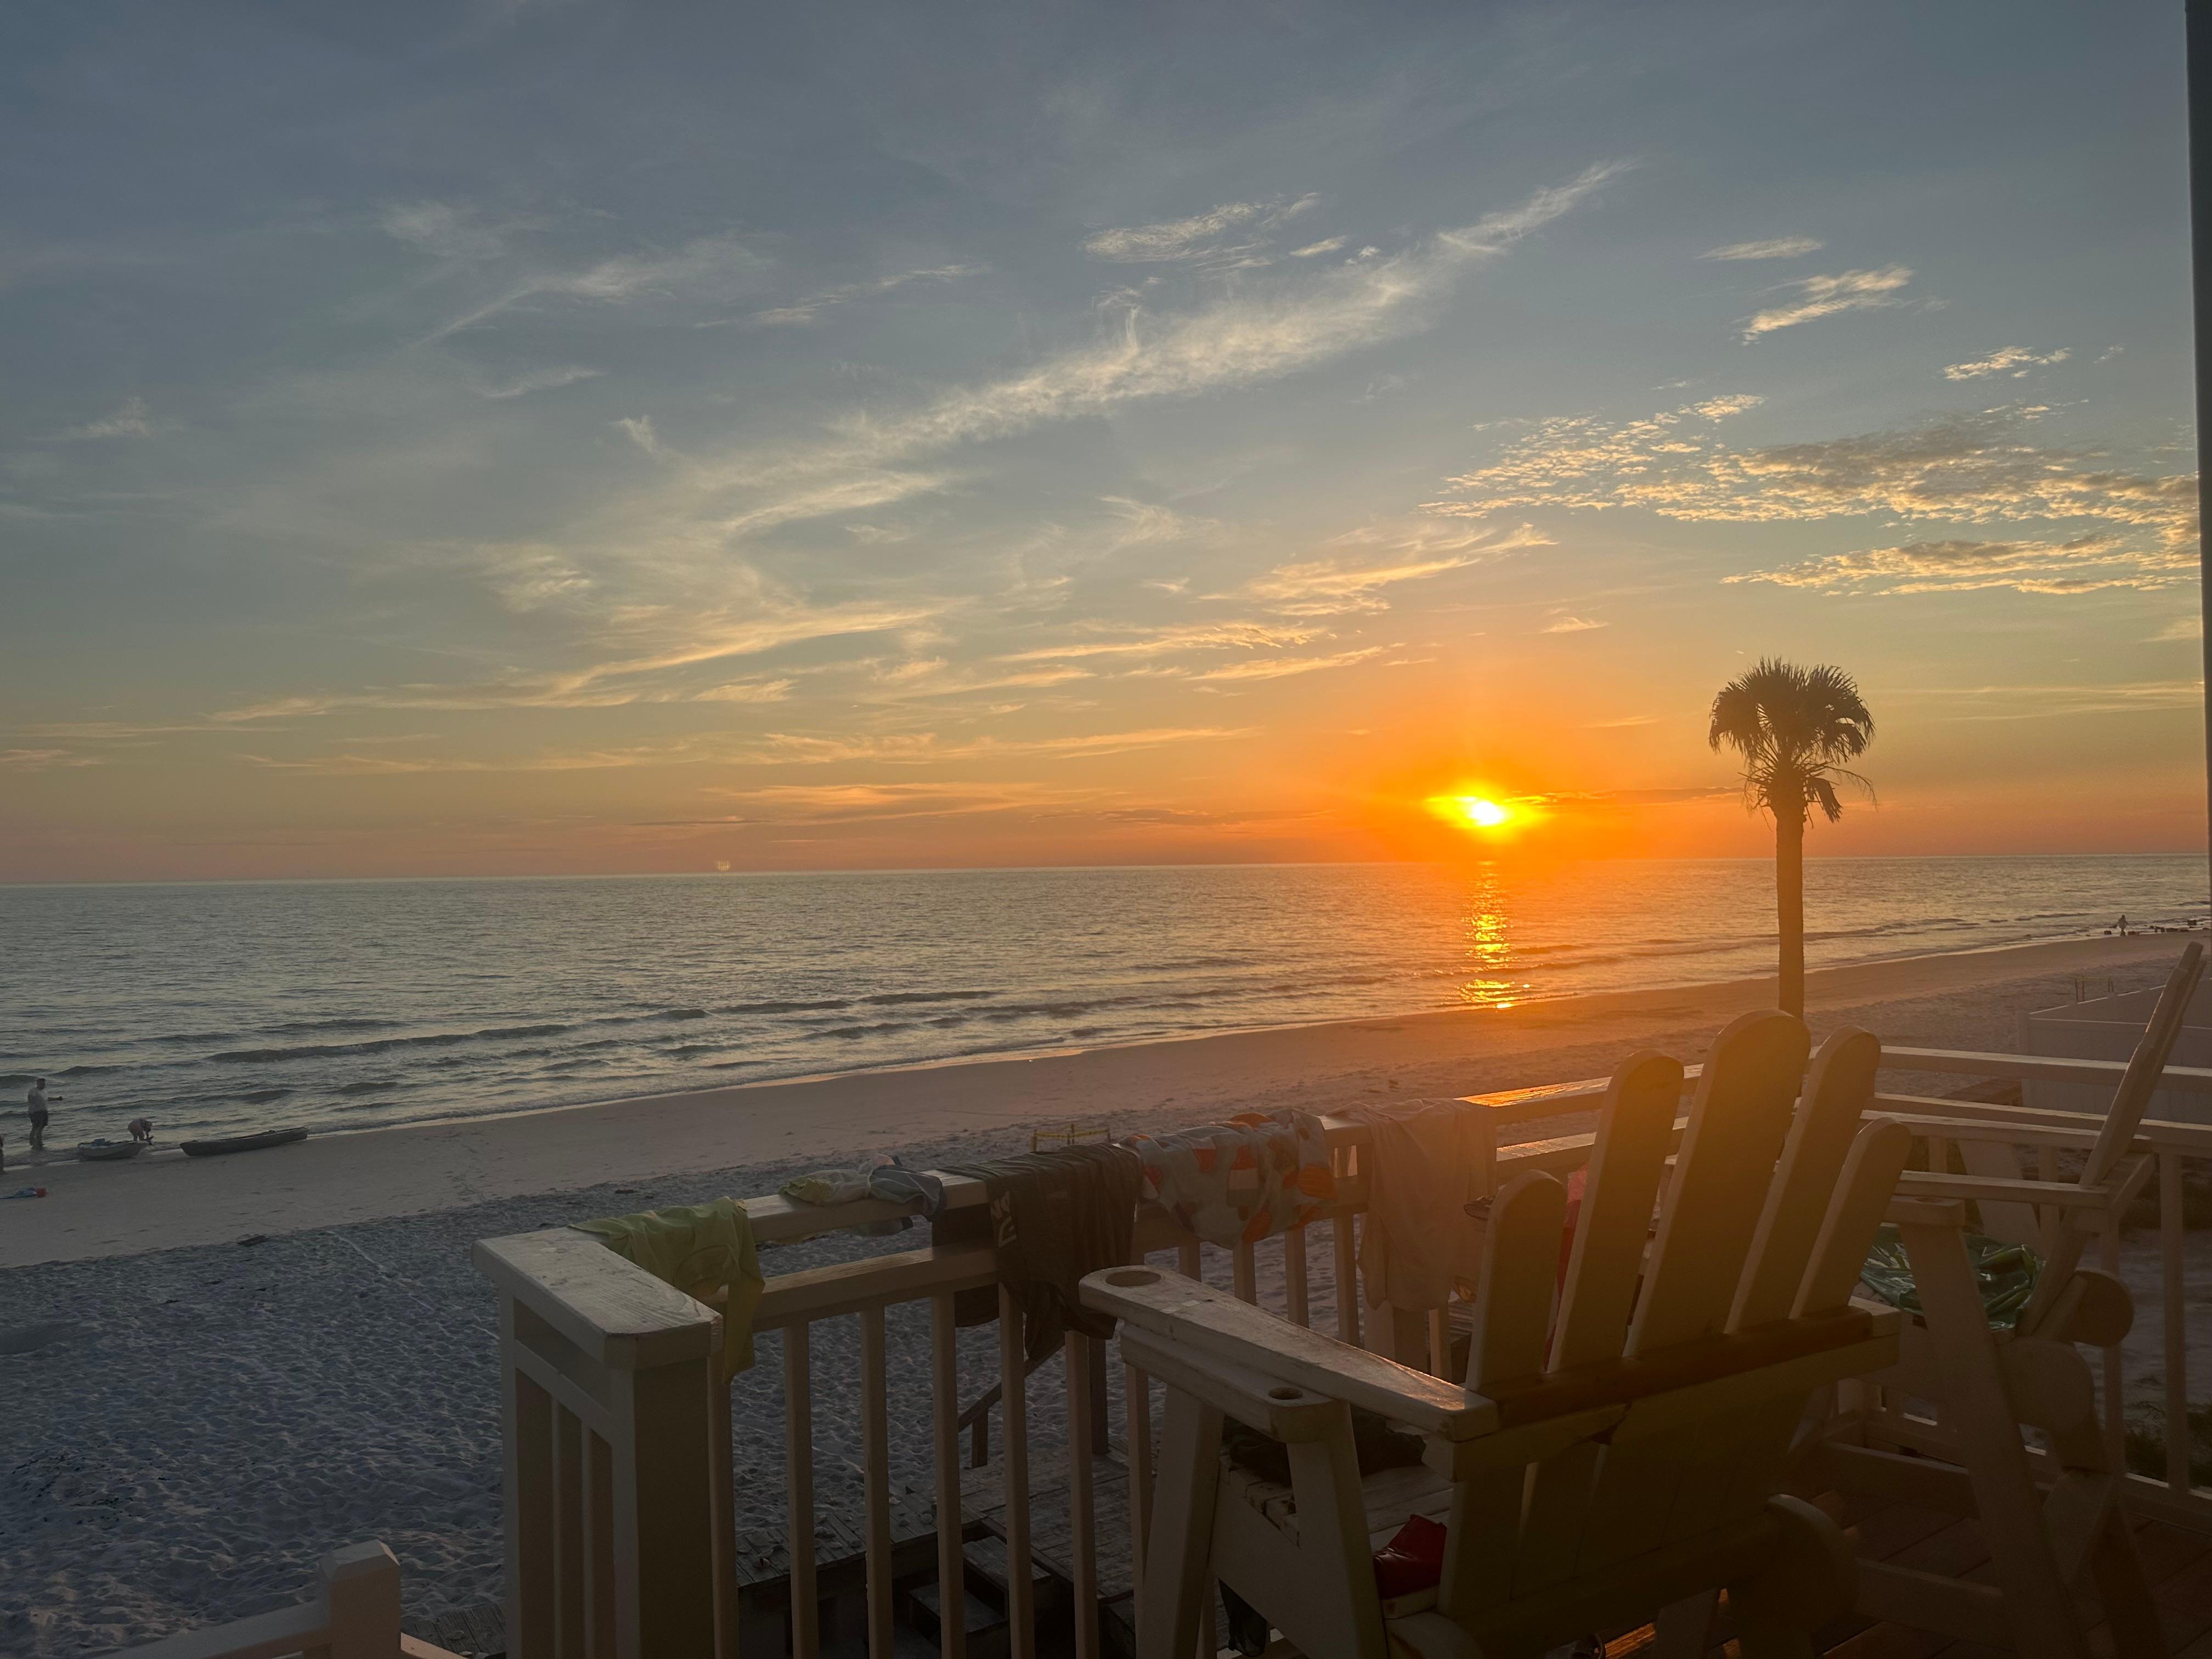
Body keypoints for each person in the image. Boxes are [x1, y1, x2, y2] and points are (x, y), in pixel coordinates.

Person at [26, 1079, 52, 1153]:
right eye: (42, 1084)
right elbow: (30, 1099)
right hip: (35, 1112)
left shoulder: (44, 1092)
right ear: (38, 1083)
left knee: (42, 1126)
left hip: (44, 1111)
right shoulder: (33, 1091)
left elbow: (47, 1099)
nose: (43, 1085)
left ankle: (39, 1141)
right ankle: (33, 1142)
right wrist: (36, 1105)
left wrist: (58, 1099)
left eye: (44, 1084)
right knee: (36, 1126)